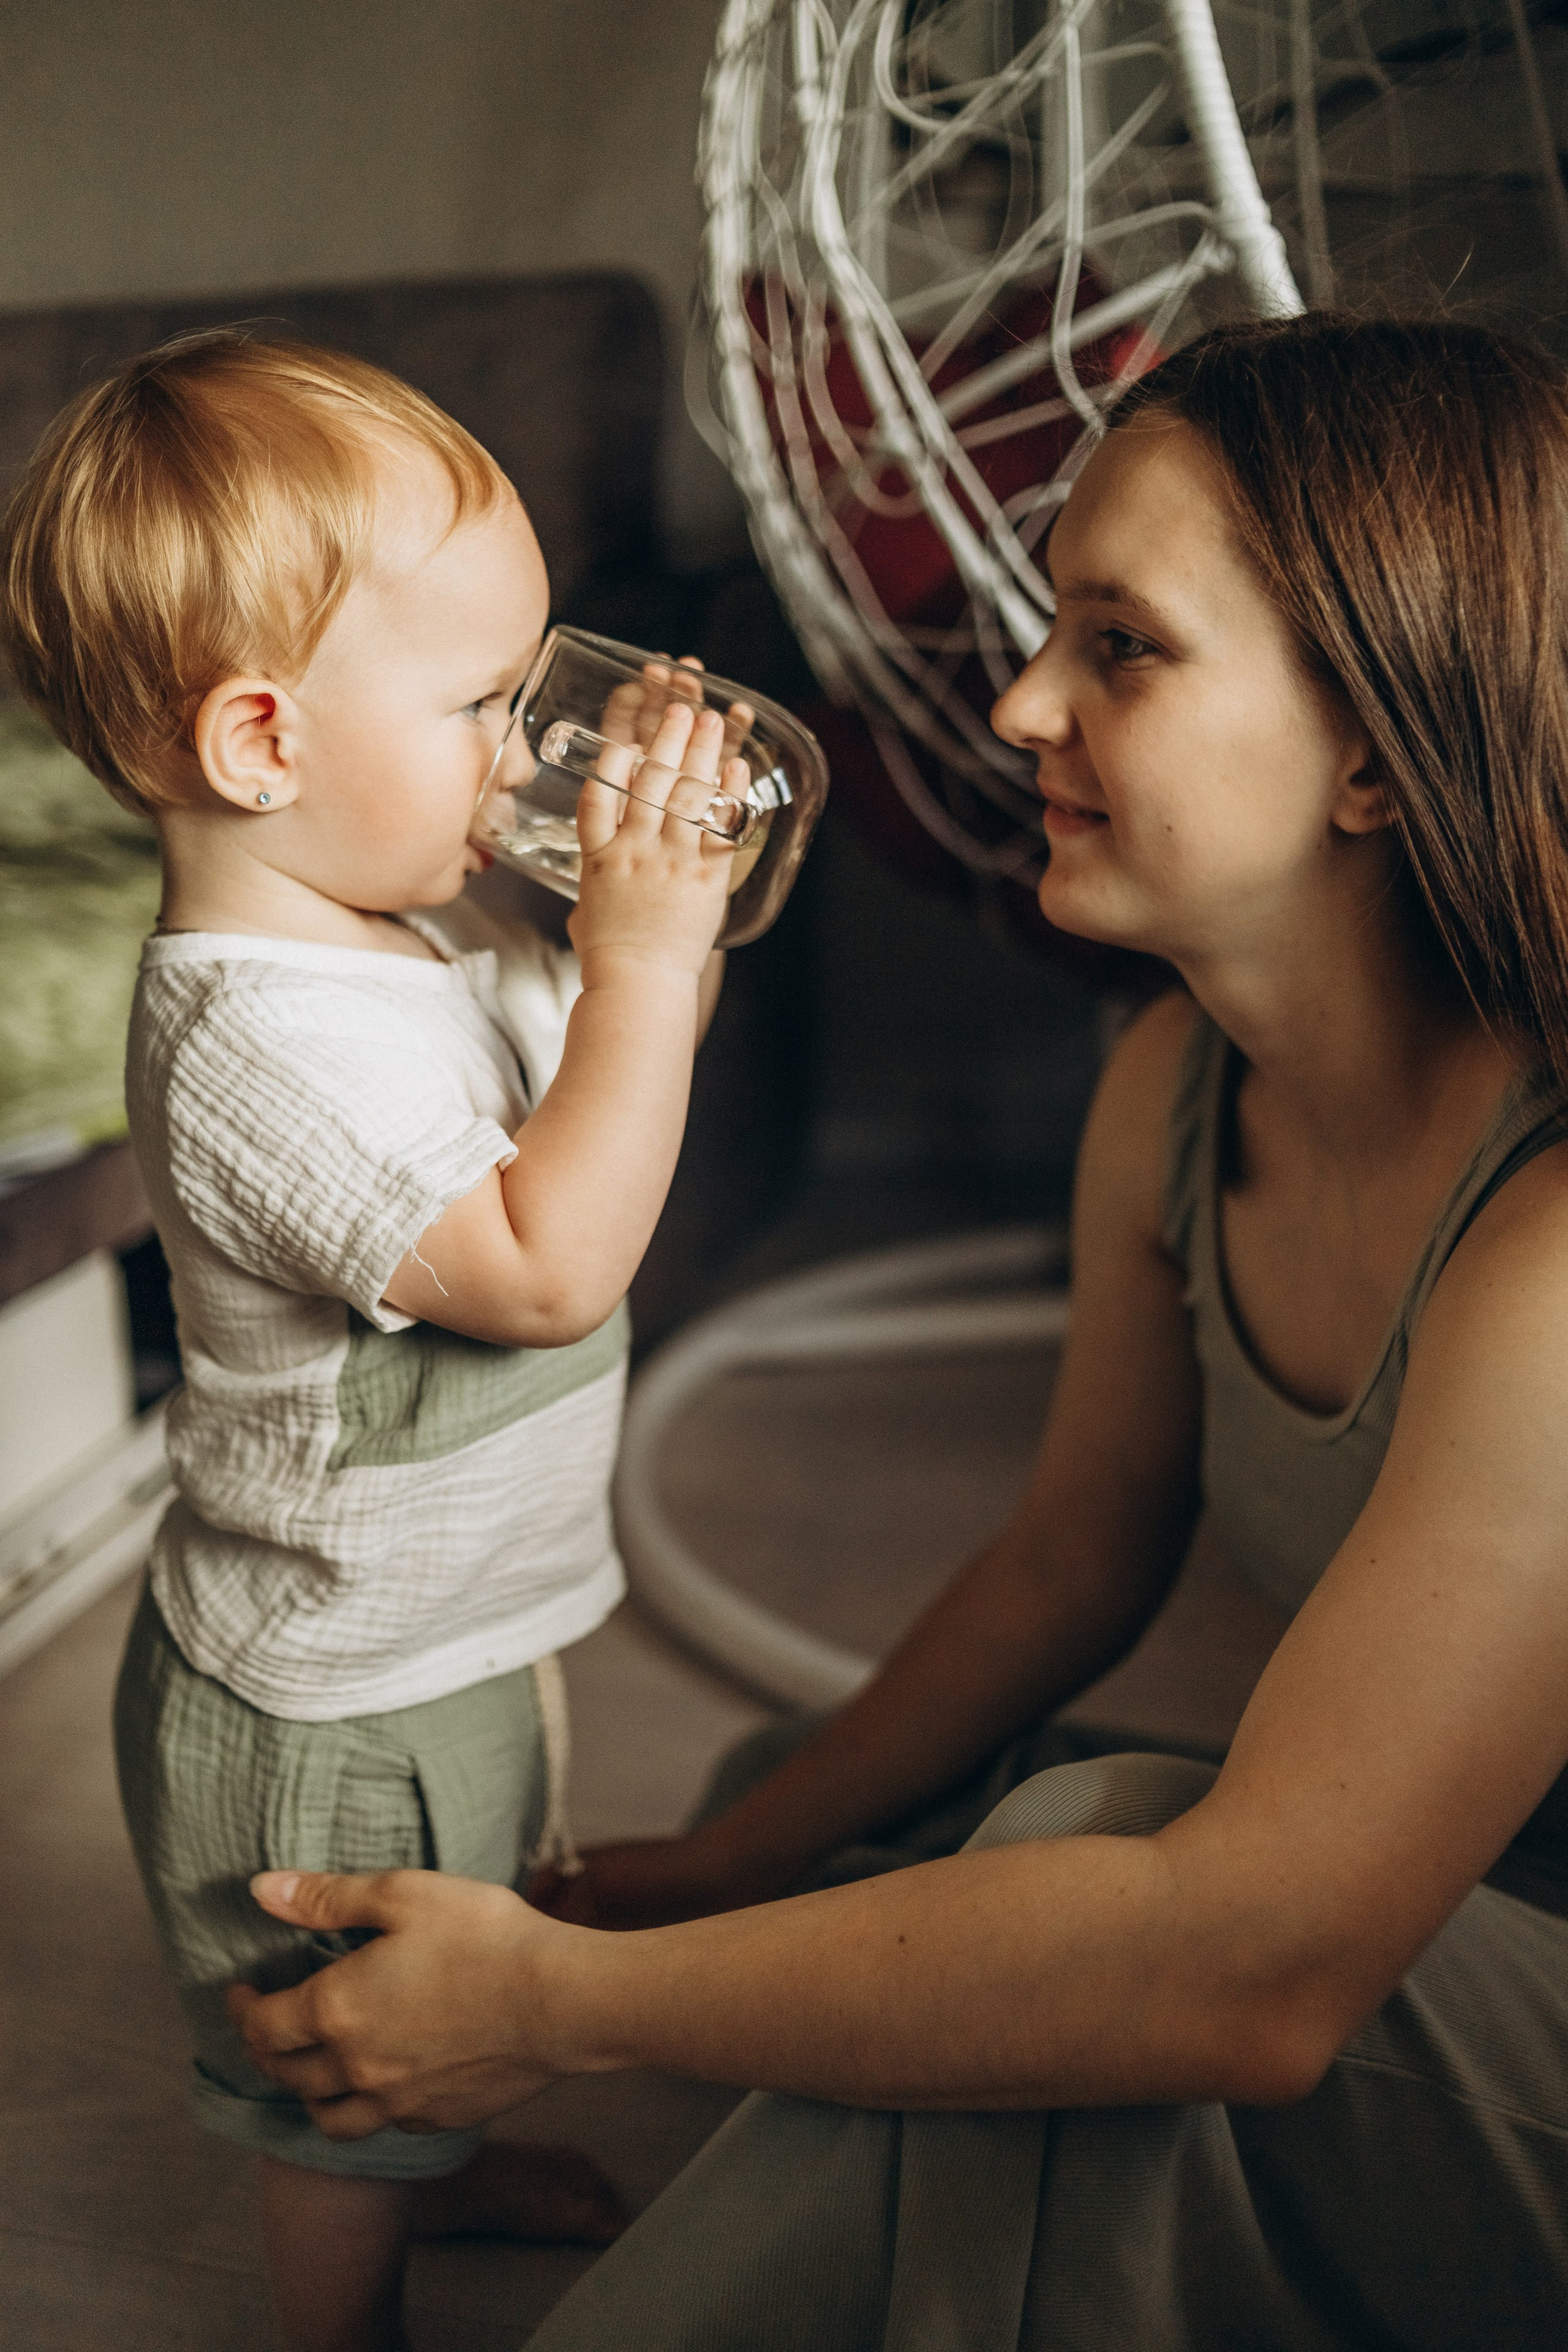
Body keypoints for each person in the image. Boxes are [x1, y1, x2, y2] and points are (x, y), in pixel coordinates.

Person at [231, 314, 1568, 2349]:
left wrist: (553, 2006)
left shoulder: (1552, 1252)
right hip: (1477, 1909)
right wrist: (733, 1865)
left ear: (1381, 750)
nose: (1022, 703)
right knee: (838, 1817)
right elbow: (1068, 1563)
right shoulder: (1175, 1097)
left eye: (1121, 646)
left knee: (1101, 1885)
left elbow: (1265, 1973)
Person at [0, 330, 745, 2352]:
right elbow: (541, 1265)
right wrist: (647, 977)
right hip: (328, 1704)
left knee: (474, 1926)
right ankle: (352, 2290)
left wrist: (610, 924)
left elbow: (556, 1077)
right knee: (333, 2058)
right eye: (488, 704)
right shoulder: (257, 1044)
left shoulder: (393, 924)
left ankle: (445, 2146)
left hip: (437, 1630)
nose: (528, 748)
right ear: (261, 743)